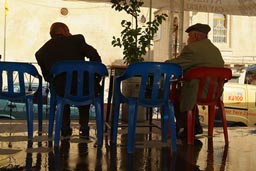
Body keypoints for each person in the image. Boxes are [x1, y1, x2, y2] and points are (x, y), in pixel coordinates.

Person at [35, 22, 102, 138]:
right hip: (86, 87)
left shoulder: (42, 52)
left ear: (51, 34)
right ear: (66, 31)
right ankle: (84, 127)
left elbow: (48, 77)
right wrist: (95, 76)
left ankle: (65, 128)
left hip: (61, 90)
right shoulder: (77, 40)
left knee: (61, 90)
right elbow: (94, 55)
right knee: (84, 85)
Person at [165, 23, 224, 138]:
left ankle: (186, 127)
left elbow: (174, 65)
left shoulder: (192, 49)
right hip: (215, 93)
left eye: (189, 36)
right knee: (186, 91)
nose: (187, 40)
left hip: (199, 92)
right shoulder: (216, 50)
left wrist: (161, 64)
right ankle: (193, 126)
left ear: (196, 36)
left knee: (174, 94)